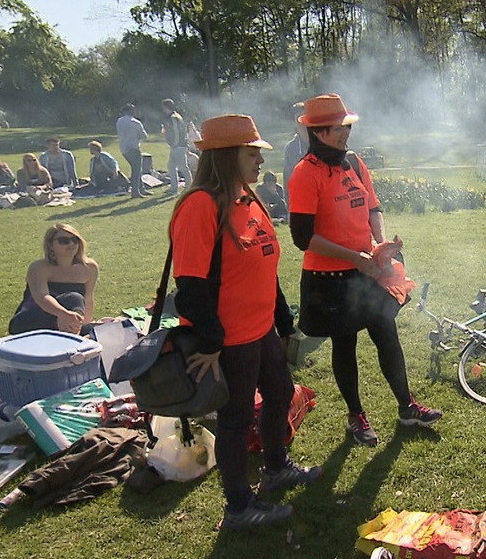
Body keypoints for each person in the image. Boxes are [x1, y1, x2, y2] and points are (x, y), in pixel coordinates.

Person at [170, 113, 321, 531]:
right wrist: (212, 341)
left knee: (281, 394)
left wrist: (282, 320)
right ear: (225, 155)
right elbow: (191, 285)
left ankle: (275, 468)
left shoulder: (249, 199)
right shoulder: (200, 206)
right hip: (229, 340)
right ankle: (238, 507)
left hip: (261, 331)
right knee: (235, 421)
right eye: (251, 152)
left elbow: (264, 267)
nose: (259, 160)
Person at [288, 93, 442, 447]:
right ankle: (355, 415)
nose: (346, 133)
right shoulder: (304, 174)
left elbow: (373, 207)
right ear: (319, 131)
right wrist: (353, 256)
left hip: (367, 269)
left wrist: (379, 244)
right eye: (339, 128)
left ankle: (407, 407)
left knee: (386, 331)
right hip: (329, 278)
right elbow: (303, 237)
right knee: (345, 343)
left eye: (347, 126)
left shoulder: (354, 163)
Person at [9, 224, 99, 335]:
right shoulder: (39, 268)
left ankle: (74, 333)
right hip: (29, 321)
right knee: (74, 298)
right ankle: (72, 336)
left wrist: (83, 325)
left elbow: (88, 299)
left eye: (74, 240)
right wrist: (64, 314)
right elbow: (42, 297)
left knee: (100, 330)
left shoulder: (89, 267)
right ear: (50, 245)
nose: (71, 244)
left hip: (64, 322)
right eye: (63, 241)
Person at [161, 99, 193, 195]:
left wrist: (175, 143)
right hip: (176, 145)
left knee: (183, 167)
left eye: (164, 107)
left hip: (178, 146)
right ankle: (174, 188)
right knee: (171, 166)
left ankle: (189, 186)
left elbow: (177, 132)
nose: (163, 109)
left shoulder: (174, 117)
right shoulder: (174, 116)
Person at [117, 104, 149, 198]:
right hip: (134, 149)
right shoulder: (136, 122)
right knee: (136, 170)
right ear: (132, 111)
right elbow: (144, 136)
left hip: (123, 149)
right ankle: (135, 192)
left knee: (136, 169)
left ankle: (141, 188)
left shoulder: (119, 121)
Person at [281, 102, 308, 204]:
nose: (303, 121)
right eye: (299, 118)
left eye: (305, 116)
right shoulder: (291, 149)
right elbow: (288, 183)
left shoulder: (321, 141)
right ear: (293, 122)